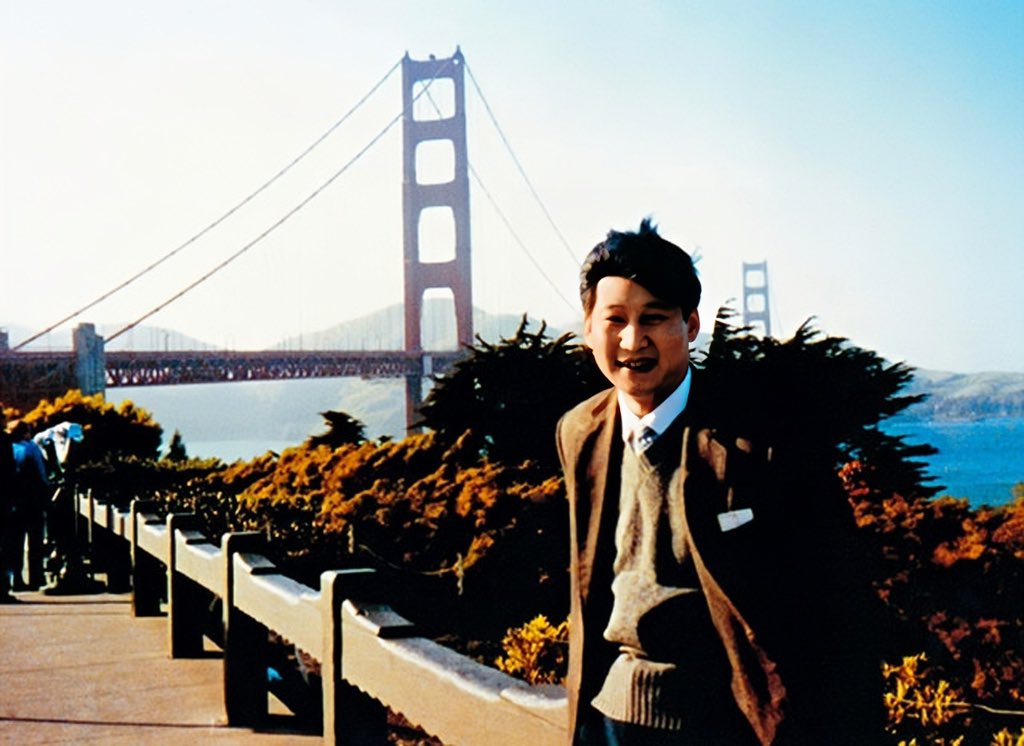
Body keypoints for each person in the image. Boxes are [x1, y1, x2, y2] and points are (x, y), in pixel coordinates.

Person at [556, 219, 881, 744]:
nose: (632, 340)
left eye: (655, 318)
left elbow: (841, 608)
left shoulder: (766, 441)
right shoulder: (580, 431)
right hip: (608, 717)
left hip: (731, 722)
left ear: (691, 324)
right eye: (614, 319)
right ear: (589, 327)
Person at [10, 420, 50, 590]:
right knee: (35, 541)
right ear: (26, 433)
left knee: (15, 543)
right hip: (33, 501)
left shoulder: (8, 448)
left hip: (13, 502)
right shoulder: (32, 448)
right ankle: (36, 578)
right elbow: (42, 474)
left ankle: (16, 579)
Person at [0, 407, 19, 603]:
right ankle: (2, 589)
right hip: (3, 499)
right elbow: (9, 470)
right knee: (5, 545)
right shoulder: (4, 441)